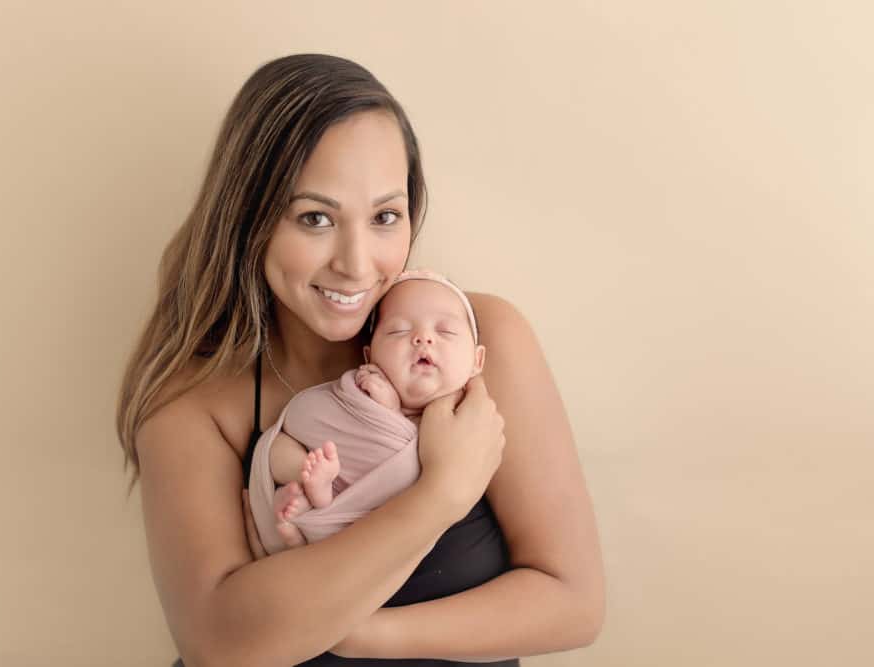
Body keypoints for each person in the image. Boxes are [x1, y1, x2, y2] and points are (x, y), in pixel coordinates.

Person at [116, 53, 605, 666]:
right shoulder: (195, 399)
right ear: (250, 221)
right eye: (314, 217)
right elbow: (220, 645)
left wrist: (354, 633)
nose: (356, 262)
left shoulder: (476, 342)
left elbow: (573, 605)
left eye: (384, 217)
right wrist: (442, 493)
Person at [254, 269, 488, 554]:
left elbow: (428, 459)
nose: (423, 338)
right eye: (398, 330)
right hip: (329, 465)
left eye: (445, 331)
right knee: (276, 448)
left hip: (374, 527)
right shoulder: (364, 388)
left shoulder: (472, 417)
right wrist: (383, 407)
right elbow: (309, 418)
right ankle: (310, 492)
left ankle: (313, 519)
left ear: (477, 360)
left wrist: (390, 412)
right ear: (369, 356)